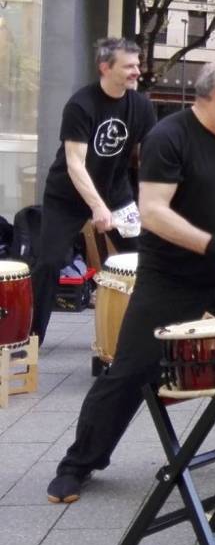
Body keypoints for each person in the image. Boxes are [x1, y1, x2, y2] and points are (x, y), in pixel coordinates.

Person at [46, 57, 215, 503]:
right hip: (171, 278)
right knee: (130, 372)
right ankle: (78, 465)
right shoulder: (170, 137)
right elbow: (154, 212)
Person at [32, 37, 157, 345]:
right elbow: (75, 164)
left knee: (144, 259)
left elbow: (153, 155)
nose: (136, 71)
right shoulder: (81, 105)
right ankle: (30, 338)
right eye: (129, 66)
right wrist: (98, 207)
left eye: (137, 65)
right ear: (105, 68)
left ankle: (142, 336)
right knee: (48, 262)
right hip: (67, 196)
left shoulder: (140, 106)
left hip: (116, 193)